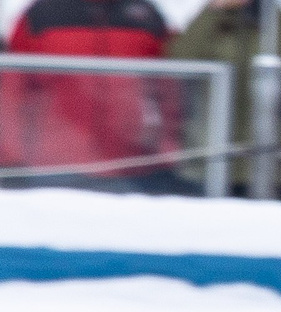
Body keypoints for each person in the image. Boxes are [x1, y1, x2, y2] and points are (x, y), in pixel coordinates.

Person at [1, 0, 183, 188]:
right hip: (53, 169)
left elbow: (171, 94)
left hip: (131, 168)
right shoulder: (40, 15)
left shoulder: (147, 16)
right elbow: (13, 94)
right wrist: (11, 162)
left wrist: (167, 156)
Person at [167, 0, 281, 187]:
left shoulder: (274, 24)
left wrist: (271, 11)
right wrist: (216, 8)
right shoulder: (212, 21)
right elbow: (178, 59)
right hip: (211, 161)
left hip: (271, 168)